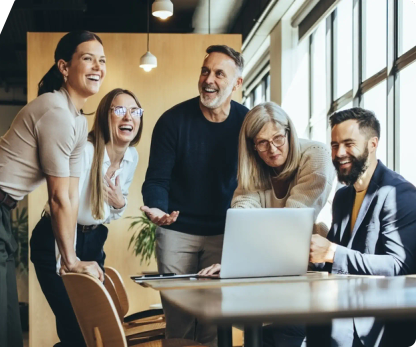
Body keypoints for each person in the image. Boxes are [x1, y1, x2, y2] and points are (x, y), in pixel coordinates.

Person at [0, 30, 106, 347]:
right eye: (87, 58)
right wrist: (69, 260)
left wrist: (70, 260)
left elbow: (70, 194)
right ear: (64, 67)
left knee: (4, 325)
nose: (97, 66)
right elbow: (57, 198)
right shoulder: (55, 111)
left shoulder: (78, 121)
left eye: (102, 60)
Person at [198, 101, 336, 347]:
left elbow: (293, 221)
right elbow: (242, 214)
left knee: (285, 336)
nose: (272, 149)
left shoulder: (317, 156)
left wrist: (242, 260)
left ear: (289, 132)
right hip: (269, 271)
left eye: (278, 139)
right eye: (262, 143)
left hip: (306, 269)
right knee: (262, 338)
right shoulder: (254, 169)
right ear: (252, 146)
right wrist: (233, 262)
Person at [141, 44, 249, 347]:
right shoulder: (172, 121)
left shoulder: (247, 123)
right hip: (177, 232)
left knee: (214, 323)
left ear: (237, 84)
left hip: (224, 233)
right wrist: (158, 209)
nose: (208, 79)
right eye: (205, 71)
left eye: (218, 73)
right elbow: (157, 180)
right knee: (179, 321)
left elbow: (257, 181)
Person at [30, 88, 143, 347]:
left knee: (94, 329)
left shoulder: (131, 157)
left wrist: (120, 202)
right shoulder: (87, 152)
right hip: (56, 238)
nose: (129, 117)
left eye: (135, 111)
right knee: (76, 328)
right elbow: (65, 206)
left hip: (93, 241)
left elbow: (111, 213)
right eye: (119, 110)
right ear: (105, 116)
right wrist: (67, 261)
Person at [308, 107, 416, 347]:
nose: (339, 153)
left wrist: (332, 252)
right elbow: (332, 258)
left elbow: (399, 266)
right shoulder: (343, 197)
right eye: (335, 145)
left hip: (380, 324)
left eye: (348, 143)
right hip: (343, 309)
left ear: (372, 144)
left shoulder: (398, 193)